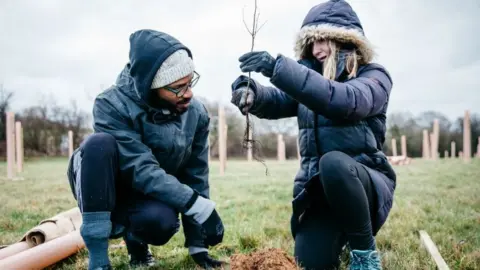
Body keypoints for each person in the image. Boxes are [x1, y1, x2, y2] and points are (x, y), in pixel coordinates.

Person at [230, 0, 396, 269]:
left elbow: (346, 101)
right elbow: (278, 99)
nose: (317, 49)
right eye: (311, 42)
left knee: (332, 163)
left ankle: (364, 253)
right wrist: (251, 92)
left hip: (362, 187)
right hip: (319, 194)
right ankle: (338, 241)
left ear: (346, 41)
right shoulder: (306, 78)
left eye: (324, 40)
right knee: (310, 262)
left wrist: (278, 69)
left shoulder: (374, 77)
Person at [67, 29, 225, 270]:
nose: (189, 93)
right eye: (178, 88)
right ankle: (98, 260)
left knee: (161, 222)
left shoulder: (196, 114)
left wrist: (197, 243)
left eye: (190, 82)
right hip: (105, 187)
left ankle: (137, 244)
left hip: (148, 193)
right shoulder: (110, 105)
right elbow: (140, 168)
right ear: (151, 87)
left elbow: (196, 174)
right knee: (98, 144)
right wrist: (197, 205)